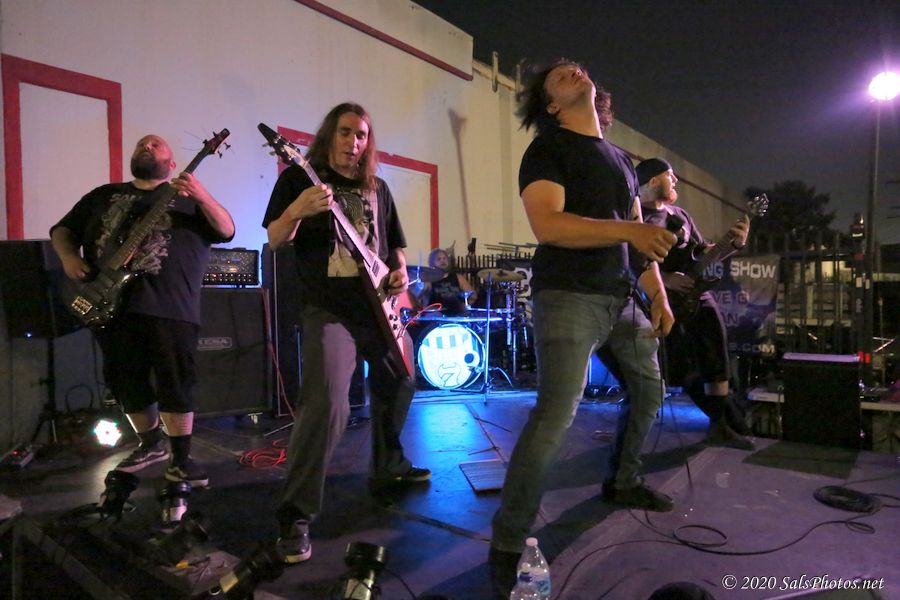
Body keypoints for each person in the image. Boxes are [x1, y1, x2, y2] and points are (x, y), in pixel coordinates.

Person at [489, 60, 678, 597]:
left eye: (576, 67)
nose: (573, 70)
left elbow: (639, 241)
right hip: (569, 296)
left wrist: (658, 293)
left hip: (622, 299)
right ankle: (509, 539)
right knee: (555, 416)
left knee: (649, 391)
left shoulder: (622, 160)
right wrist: (630, 231)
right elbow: (548, 224)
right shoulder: (548, 149)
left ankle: (623, 480)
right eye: (559, 76)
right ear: (551, 105)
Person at [262, 102, 431, 564]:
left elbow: (394, 249)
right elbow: (275, 238)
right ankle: (295, 514)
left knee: (402, 377)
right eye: (344, 132)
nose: (352, 142)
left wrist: (400, 274)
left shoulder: (378, 188)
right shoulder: (299, 178)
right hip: (328, 309)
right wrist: (298, 210)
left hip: (378, 309)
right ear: (328, 134)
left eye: (361, 135)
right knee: (328, 404)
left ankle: (388, 466)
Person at [50, 134, 235, 488]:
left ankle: (181, 459)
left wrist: (201, 195)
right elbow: (62, 230)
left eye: (155, 144)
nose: (146, 147)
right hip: (109, 305)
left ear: (172, 163)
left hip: (170, 305)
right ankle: (150, 444)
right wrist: (69, 258)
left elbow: (227, 229)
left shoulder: (189, 199)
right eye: (141, 145)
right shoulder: (103, 195)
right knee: (124, 380)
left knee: (174, 380)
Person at [636, 158, 754, 449]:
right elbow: (630, 261)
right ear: (653, 180)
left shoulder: (680, 215)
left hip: (699, 296)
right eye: (670, 175)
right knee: (679, 367)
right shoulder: (637, 217)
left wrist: (734, 244)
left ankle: (720, 426)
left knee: (717, 358)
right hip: (663, 301)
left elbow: (704, 255)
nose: (675, 180)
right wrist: (665, 279)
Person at [419, 247, 477, 313]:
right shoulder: (427, 280)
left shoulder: (458, 277)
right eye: (439, 259)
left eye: (444, 258)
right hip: (436, 315)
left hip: (457, 313)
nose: (443, 261)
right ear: (432, 263)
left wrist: (465, 305)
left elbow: (473, 295)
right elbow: (418, 299)